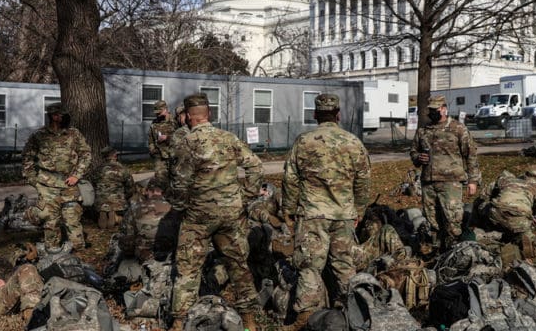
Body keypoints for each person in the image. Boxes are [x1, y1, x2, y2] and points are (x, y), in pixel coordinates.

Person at [169, 93, 263, 331]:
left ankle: (180, 321)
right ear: (208, 114)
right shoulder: (228, 137)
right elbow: (255, 165)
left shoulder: (186, 143)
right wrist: (245, 197)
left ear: (189, 117)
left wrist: (180, 209)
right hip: (230, 213)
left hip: (198, 215)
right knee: (238, 264)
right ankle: (249, 320)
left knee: (188, 268)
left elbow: (179, 183)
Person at [281, 93, 371, 328]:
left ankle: (306, 316)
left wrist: (288, 209)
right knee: (344, 264)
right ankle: (352, 312)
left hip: (313, 215)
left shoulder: (304, 141)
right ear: (338, 115)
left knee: (310, 266)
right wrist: (359, 209)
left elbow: (290, 179)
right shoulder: (353, 142)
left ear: (315, 115)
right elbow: (363, 181)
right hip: (343, 215)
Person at [410, 94, 479, 248]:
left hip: (451, 183)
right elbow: (413, 151)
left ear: (444, 109)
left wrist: (473, 181)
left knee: (453, 220)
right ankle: (437, 251)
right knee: (432, 220)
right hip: (429, 183)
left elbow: (471, 155)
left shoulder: (458, 129)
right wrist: (418, 158)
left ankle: (455, 251)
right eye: (430, 110)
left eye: (435, 109)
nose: (432, 112)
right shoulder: (423, 130)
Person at [21, 102, 92, 249]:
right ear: (54, 116)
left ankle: (77, 248)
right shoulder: (39, 136)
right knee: (50, 219)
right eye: (62, 115)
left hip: (69, 184)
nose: (66, 117)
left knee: (72, 217)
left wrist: (77, 175)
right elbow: (27, 158)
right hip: (47, 186)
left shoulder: (74, 134)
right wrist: (35, 181)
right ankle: (52, 250)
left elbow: (86, 154)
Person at [485, 173, 536, 259]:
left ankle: (490, 240)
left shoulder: (507, 180)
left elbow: (485, 195)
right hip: (518, 217)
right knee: (529, 241)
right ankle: (518, 245)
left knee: (498, 228)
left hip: (495, 212)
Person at [95, 147, 136, 229]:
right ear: (115, 155)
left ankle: (104, 212)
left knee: (102, 196)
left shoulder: (97, 169)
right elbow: (130, 186)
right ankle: (116, 216)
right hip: (117, 200)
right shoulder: (122, 169)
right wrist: (127, 196)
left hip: (100, 200)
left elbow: (93, 183)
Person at [149, 99, 179, 191]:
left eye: (159, 112)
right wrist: (152, 150)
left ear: (165, 109)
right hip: (160, 156)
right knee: (160, 180)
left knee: (176, 180)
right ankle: (163, 201)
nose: (157, 115)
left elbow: (181, 137)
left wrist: (168, 138)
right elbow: (150, 139)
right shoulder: (154, 123)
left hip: (173, 155)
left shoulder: (175, 121)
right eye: (156, 113)